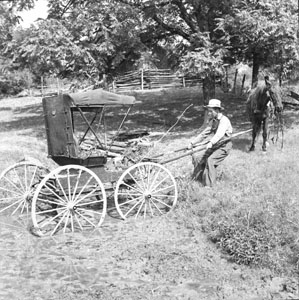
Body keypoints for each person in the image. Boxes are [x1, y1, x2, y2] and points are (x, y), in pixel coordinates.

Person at [188, 99, 233, 187]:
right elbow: (204, 134)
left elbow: (219, 134)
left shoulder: (224, 120)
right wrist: (192, 143)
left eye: (210, 111)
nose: (208, 113)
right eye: (208, 111)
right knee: (197, 157)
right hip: (216, 145)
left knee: (210, 161)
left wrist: (211, 143)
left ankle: (209, 186)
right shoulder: (213, 121)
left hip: (224, 146)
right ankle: (198, 179)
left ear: (217, 110)